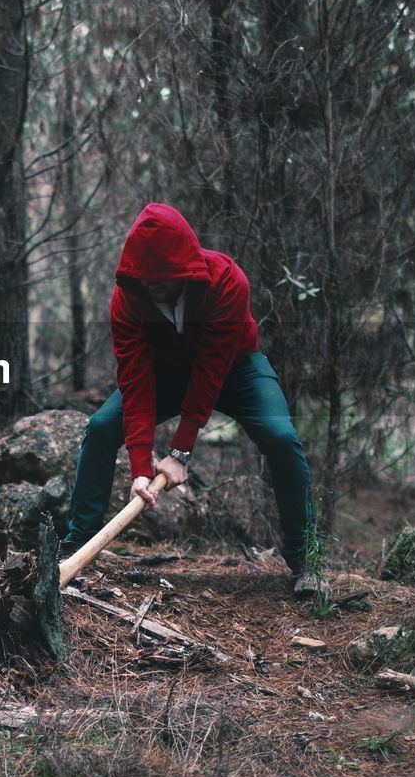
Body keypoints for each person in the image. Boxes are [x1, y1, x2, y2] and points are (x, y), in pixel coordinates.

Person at [59, 202, 322, 597]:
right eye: (145, 278)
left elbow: (210, 371)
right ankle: (77, 548)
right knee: (99, 428)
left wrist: (180, 452)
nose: (152, 285)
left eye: (161, 277)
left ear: (182, 265)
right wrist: (140, 469)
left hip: (235, 368)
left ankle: (306, 561)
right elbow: (135, 382)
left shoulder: (227, 281)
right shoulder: (128, 300)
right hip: (165, 373)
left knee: (281, 437)